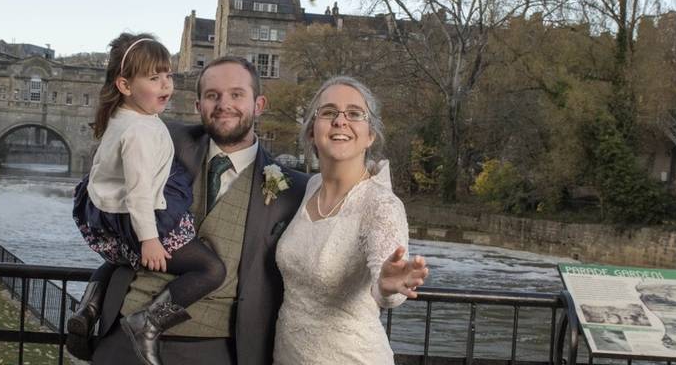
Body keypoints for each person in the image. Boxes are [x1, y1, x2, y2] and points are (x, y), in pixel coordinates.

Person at [91, 56, 308, 365]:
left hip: (218, 348)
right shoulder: (161, 139)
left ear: (259, 104)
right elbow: (103, 188)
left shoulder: (293, 188)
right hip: (123, 341)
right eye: (212, 95)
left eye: (236, 94)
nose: (224, 104)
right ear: (198, 106)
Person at [68, 34, 226, 365]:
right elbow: (139, 193)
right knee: (211, 268)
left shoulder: (124, 116)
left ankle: (89, 304)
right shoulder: (139, 132)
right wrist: (150, 240)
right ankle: (148, 323)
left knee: (121, 256)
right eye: (154, 78)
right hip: (137, 217)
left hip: (109, 212)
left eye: (167, 75)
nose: (166, 84)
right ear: (125, 85)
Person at [273, 76, 428, 365]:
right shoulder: (310, 187)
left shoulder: (381, 204)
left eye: (355, 114)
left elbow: (389, 291)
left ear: (370, 135)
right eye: (329, 112)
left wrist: (387, 284)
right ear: (311, 132)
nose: (340, 121)